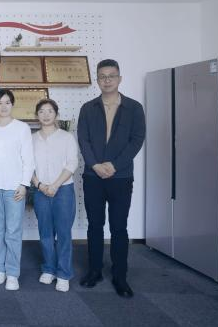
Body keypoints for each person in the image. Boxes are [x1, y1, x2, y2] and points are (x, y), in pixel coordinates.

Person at [77, 59, 145, 298]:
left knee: (119, 227)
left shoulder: (134, 108)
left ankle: (120, 276)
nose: (107, 80)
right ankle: (94, 271)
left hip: (121, 176)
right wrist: (95, 165)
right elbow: (83, 139)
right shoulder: (88, 108)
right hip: (93, 176)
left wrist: (114, 165)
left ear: (119, 79)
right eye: (102, 76)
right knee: (95, 225)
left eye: (111, 76)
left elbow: (136, 140)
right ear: (97, 80)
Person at [0, 89, 35, 291]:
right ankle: (0, 268)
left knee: (13, 231)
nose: (3, 106)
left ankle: (13, 273)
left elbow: (28, 159)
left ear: (12, 104)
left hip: (15, 187)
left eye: (7, 102)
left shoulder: (22, 128)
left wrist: (24, 184)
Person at [31, 99, 79, 292]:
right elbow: (27, 165)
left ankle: (63, 274)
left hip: (63, 190)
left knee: (64, 233)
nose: (46, 115)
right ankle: (49, 269)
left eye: (50, 111)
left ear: (56, 115)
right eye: (41, 111)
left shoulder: (66, 137)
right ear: (37, 116)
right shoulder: (31, 139)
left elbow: (72, 163)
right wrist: (39, 185)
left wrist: (55, 185)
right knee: (45, 233)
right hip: (40, 191)